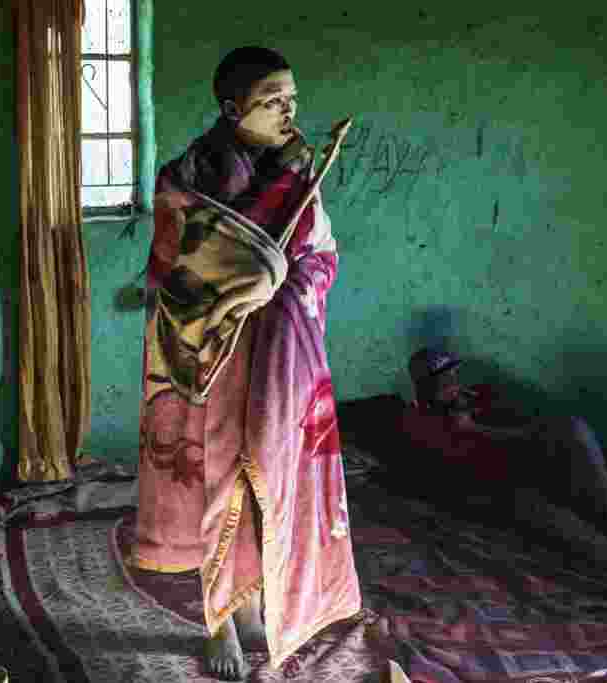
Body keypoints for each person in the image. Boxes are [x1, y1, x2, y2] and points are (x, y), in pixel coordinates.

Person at [132, 47, 361, 680]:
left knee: (272, 477)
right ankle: (218, 619)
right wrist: (240, 284)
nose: (290, 112)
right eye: (273, 101)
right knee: (219, 481)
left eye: (292, 99)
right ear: (234, 110)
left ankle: (253, 600)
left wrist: (284, 283)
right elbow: (172, 274)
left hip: (280, 351)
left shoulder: (300, 169)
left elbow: (322, 251)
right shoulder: (186, 179)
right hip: (213, 354)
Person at [399, 347, 607, 548]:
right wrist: (473, 427)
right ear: (426, 388)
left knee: (576, 430)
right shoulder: (422, 422)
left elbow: (527, 427)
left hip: (528, 464)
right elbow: (454, 475)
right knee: (573, 529)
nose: (453, 384)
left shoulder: (474, 396)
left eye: (453, 376)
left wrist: (478, 409)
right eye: (444, 380)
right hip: (500, 492)